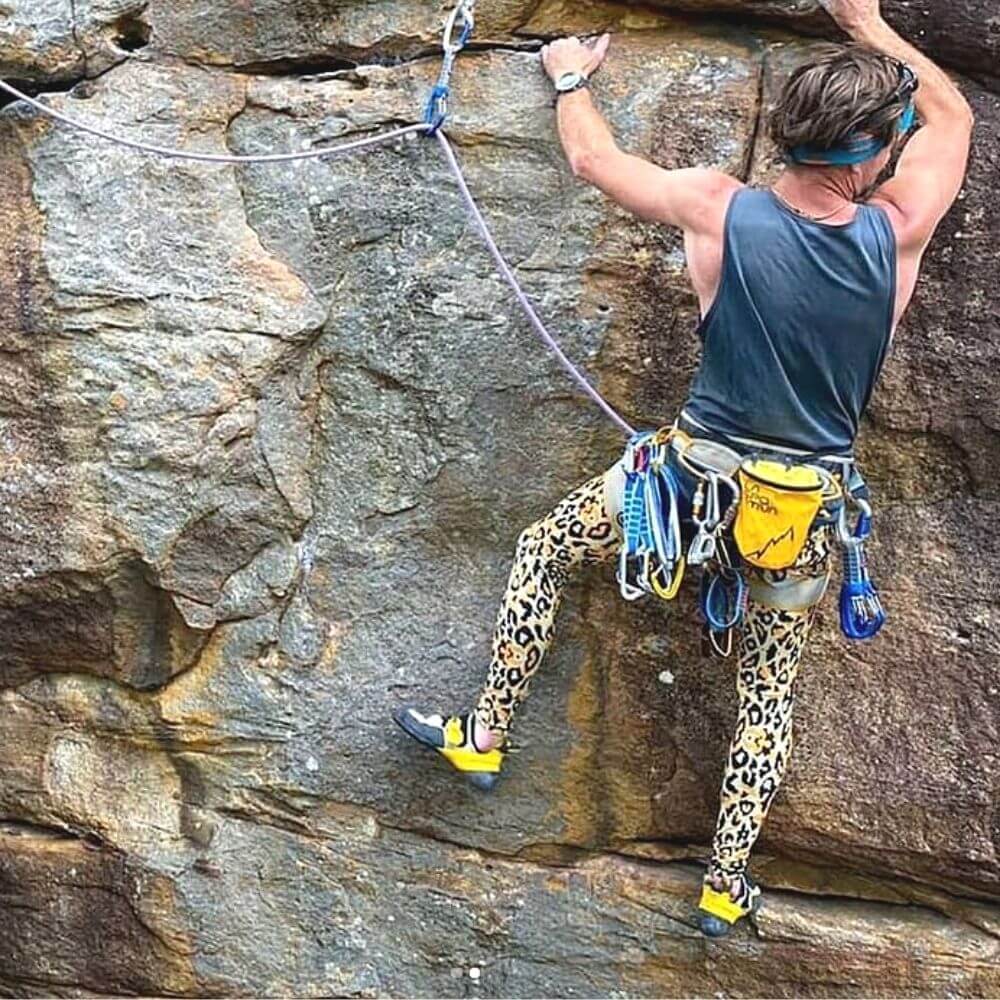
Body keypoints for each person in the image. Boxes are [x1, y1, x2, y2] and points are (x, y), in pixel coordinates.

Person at [394, 0, 973, 936]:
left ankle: (485, 733)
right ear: (871, 154)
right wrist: (869, 24)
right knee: (767, 688)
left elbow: (592, 161)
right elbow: (957, 117)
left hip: (681, 490)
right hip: (798, 512)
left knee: (546, 547)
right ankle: (723, 881)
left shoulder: (717, 207)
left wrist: (571, 78)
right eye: (890, 142)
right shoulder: (896, 231)